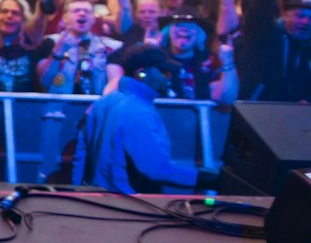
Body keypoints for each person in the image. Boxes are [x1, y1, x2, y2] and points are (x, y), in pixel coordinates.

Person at [72, 46, 219, 194]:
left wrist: (78, 192)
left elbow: (81, 154)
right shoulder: (139, 112)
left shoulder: (103, 102)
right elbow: (155, 169)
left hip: (97, 202)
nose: (167, 78)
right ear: (141, 73)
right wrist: (209, 179)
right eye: (163, 72)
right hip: (129, 205)